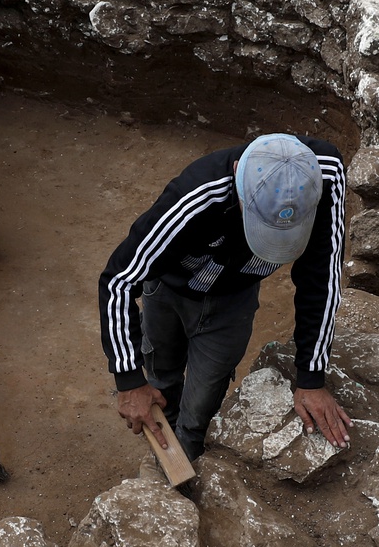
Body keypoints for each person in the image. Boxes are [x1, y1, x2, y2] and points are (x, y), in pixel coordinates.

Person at [98, 132, 352, 467]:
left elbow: (321, 277)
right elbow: (118, 280)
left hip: (233, 302)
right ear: (237, 176)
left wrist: (311, 378)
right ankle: (163, 442)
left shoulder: (325, 175)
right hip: (169, 291)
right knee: (160, 373)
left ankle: (186, 461)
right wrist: (130, 381)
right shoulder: (195, 196)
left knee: (203, 402)